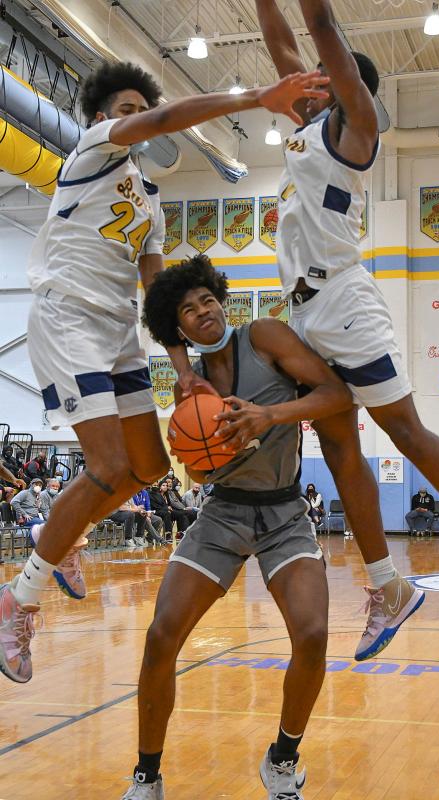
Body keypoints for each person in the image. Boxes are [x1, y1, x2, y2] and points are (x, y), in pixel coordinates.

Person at [0, 60, 330, 684]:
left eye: (137, 112)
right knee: (106, 469)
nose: (137, 121)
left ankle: (60, 534)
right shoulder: (93, 149)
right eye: (127, 111)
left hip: (121, 329)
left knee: (149, 470)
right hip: (68, 314)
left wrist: (182, 369)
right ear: (103, 118)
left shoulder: (146, 195)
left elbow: (156, 286)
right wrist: (258, 94)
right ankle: (20, 594)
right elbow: (168, 116)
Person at [248, 0, 439, 640]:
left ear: (345, 85)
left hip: (346, 304)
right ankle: (388, 585)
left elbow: (320, 31)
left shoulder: (357, 128)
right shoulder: (307, 127)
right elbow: (281, 46)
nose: (309, 83)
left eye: (324, 79)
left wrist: (313, 17)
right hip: (304, 312)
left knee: (407, 432)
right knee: (337, 448)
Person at [120, 254, 362, 800]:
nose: (203, 310)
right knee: (161, 636)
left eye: (207, 299)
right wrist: (200, 453)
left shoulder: (265, 336)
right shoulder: (190, 387)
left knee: (313, 633)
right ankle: (147, 775)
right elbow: (196, 467)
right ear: (177, 329)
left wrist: (268, 415)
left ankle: (282, 757)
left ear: (221, 299)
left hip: (285, 513)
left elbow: (336, 395)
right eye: (188, 309)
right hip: (222, 511)